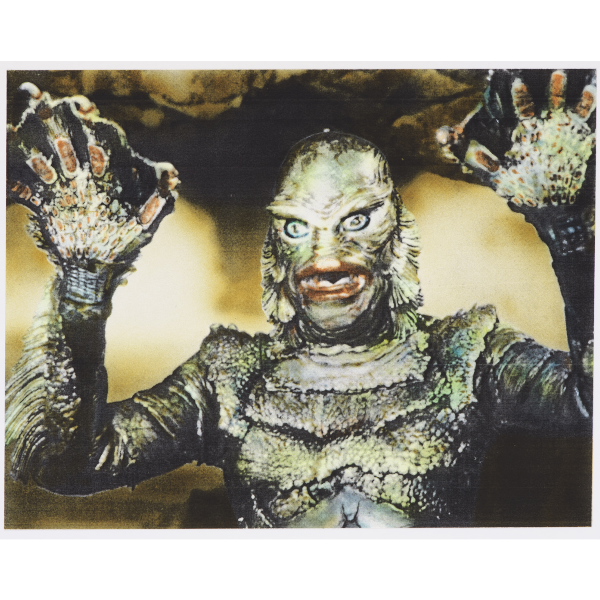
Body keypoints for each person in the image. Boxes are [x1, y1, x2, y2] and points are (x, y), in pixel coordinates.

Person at [6, 70, 595, 527]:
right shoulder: (229, 380)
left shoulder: (466, 357)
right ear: (274, 253)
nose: (325, 256)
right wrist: (83, 283)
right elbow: (66, 464)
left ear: (398, 238)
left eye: (356, 221)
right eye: (296, 227)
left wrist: (571, 235)